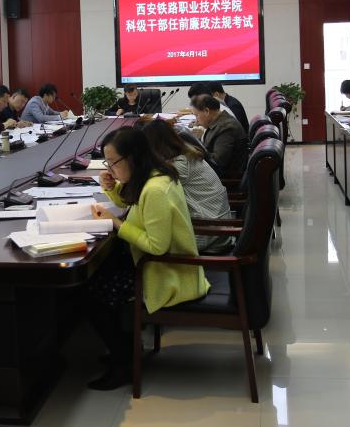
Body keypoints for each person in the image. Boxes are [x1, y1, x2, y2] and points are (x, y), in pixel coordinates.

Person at [85, 127, 209, 390]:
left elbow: (156, 246)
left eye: (113, 162)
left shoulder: (155, 189)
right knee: (100, 277)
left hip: (169, 273)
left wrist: (117, 223)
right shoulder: (152, 175)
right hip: (158, 264)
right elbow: (133, 204)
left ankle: (124, 362)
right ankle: (125, 349)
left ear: (133, 157)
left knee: (94, 297)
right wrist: (112, 189)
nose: (110, 168)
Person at [141, 119, 232, 253]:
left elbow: (143, 186)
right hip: (216, 225)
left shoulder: (179, 166)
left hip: (208, 234)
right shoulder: (186, 154)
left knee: (145, 234)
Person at [191, 94, 248, 178]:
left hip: (225, 178)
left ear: (206, 111)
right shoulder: (219, 121)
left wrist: (195, 149)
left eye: (197, 115)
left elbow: (217, 163)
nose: (196, 121)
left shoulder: (226, 128)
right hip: (215, 173)